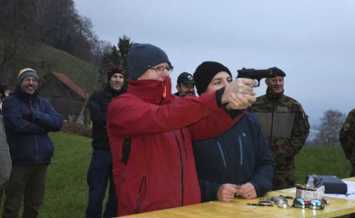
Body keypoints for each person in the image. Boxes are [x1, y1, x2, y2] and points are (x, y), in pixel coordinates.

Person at [107, 43, 256, 216]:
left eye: (167, 67)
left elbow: (203, 126)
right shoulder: (122, 107)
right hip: (145, 210)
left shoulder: (174, 105)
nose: (165, 73)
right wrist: (219, 96)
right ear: (138, 72)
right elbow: (162, 117)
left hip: (186, 209)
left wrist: (233, 109)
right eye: (158, 68)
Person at [192, 61, 274, 202]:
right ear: (203, 92)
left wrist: (257, 185)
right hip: (207, 209)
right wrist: (214, 191)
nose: (227, 86)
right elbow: (182, 177)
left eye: (229, 80)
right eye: (217, 82)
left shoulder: (249, 120)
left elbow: (266, 163)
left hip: (247, 207)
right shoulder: (192, 124)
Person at [2, 68, 63, 218]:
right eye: (27, 80)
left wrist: (34, 115)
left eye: (34, 80)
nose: (31, 83)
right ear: (20, 82)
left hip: (41, 162)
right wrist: (43, 127)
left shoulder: (43, 103)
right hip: (19, 162)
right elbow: (17, 125)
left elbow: (58, 122)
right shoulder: (11, 102)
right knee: (12, 205)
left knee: (34, 205)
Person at [249, 67, 309, 190]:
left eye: (280, 80)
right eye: (274, 80)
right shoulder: (254, 105)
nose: (277, 83)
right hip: (257, 165)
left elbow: (302, 132)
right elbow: (246, 131)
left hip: (284, 169)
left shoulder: (293, 105)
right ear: (267, 82)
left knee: (284, 201)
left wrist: (287, 152)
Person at [85, 67, 126, 218]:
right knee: (96, 193)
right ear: (109, 79)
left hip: (120, 154)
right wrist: (119, 122)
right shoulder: (97, 96)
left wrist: (111, 120)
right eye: (114, 76)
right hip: (101, 151)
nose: (117, 79)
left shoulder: (128, 98)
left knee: (116, 195)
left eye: (120, 77)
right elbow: (98, 118)